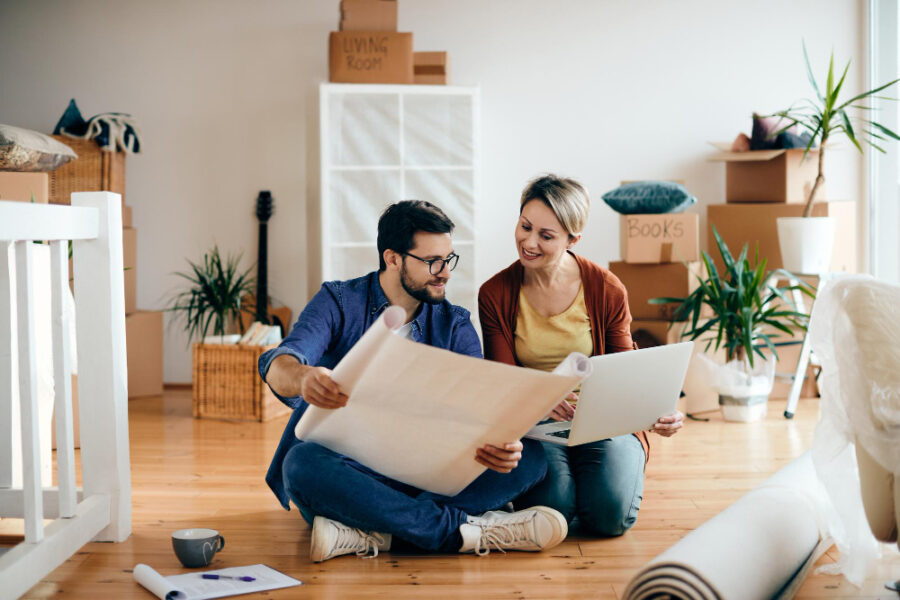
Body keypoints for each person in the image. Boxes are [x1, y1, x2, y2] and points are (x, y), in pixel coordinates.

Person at [259, 200, 568, 562]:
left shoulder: (454, 323)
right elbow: (278, 362)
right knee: (300, 465)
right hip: (353, 471)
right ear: (393, 258)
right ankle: (463, 532)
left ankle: (372, 534)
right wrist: (303, 376)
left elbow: (481, 411)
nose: (445, 273)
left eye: (449, 260)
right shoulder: (340, 301)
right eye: (432, 262)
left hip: (428, 475)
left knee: (529, 459)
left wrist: (502, 443)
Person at [478, 175, 684, 537]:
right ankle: (567, 486)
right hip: (535, 421)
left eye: (546, 235)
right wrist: (541, 396)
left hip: (601, 419)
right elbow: (501, 379)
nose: (529, 242)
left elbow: (625, 368)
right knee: (552, 508)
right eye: (525, 226)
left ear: (573, 239)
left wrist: (656, 411)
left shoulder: (605, 289)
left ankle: (587, 486)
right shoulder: (495, 293)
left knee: (609, 518)